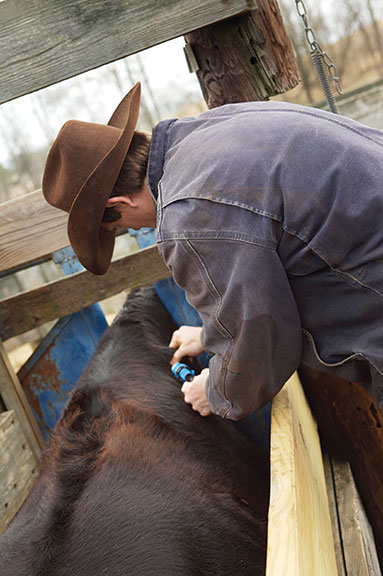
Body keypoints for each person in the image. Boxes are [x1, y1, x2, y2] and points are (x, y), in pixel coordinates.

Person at [42, 82, 383, 420]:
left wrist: (215, 391)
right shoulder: (205, 132)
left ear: (119, 203)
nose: (136, 230)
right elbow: (265, 267)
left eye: (120, 227)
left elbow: (260, 334)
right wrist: (211, 336)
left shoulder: (188, 217)